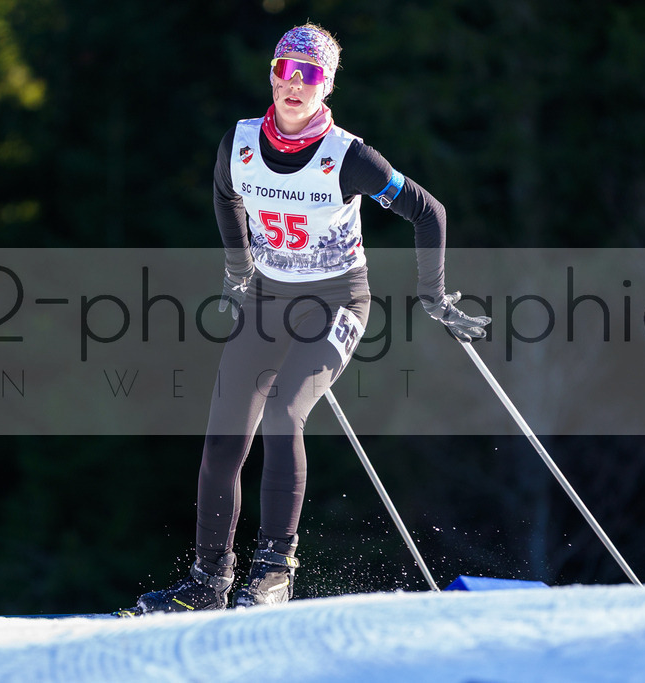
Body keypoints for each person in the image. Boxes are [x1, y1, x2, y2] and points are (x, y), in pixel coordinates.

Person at [132, 23, 489, 613]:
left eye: (311, 74)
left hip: (338, 303)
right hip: (269, 300)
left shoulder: (350, 158)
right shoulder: (239, 143)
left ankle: (273, 572)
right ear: (271, 72)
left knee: (283, 412)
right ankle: (208, 582)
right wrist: (238, 268)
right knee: (223, 441)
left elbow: (429, 212)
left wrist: (434, 295)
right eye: (285, 69)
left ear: (327, 87)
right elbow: (226, 197)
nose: (294, 84)